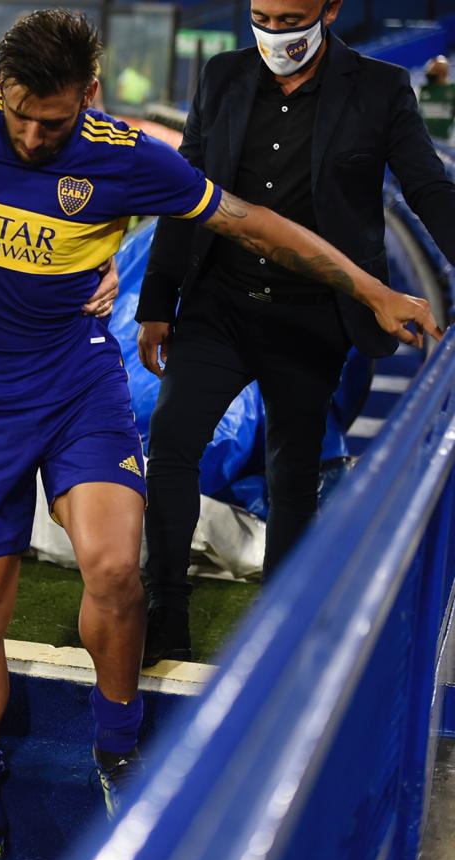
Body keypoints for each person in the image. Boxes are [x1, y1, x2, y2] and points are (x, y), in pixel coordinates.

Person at [0, 9, 440, 860]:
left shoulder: (128, 158)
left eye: (53, 121)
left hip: (78, 387)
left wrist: (368, 286)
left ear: (89, 93)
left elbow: (252, 222)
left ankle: (117, 746)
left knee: (118, 570)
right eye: (19, 115)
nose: (32, 136)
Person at [137, 0, 455, 668]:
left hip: (312, 314)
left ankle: (274, 630)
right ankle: (164, 610)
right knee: (171, 442)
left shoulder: (378, 89)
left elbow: (428, 187)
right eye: (263, 16)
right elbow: (183, 191)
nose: (275, 33)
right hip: (218, 305)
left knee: (294, 469)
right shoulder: (222, 76)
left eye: (291, 20)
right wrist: (157, 301)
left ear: (331, 9)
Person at [419, 55, 455, 141]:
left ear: (442, 74)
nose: (430, 76)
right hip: (426, 139)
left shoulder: (452, 90)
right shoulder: (423, 90)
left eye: (434, 74)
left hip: (446, 141)